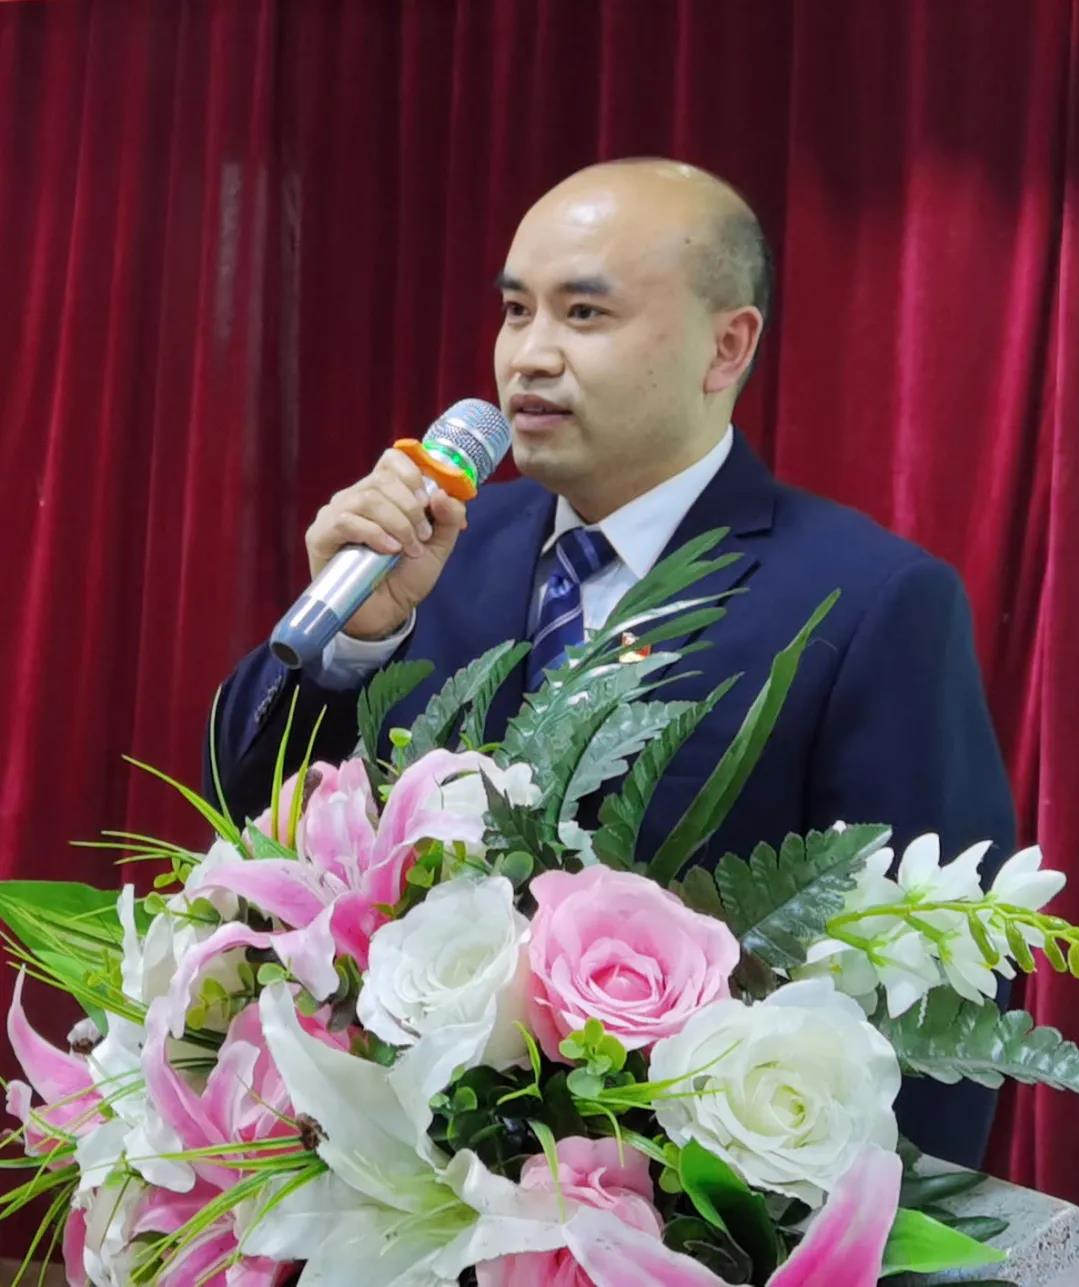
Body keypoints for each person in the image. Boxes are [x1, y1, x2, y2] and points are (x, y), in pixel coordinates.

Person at [208, 159, 1015, 1166]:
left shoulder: (865, 601)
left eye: (584, 314)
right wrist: (357, 639)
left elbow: (936, 988)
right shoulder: (435, 549)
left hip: (690, 1206)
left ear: (727, 346)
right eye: (517, 310)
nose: (530, 356)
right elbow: (254, 818)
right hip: (394, 1180)